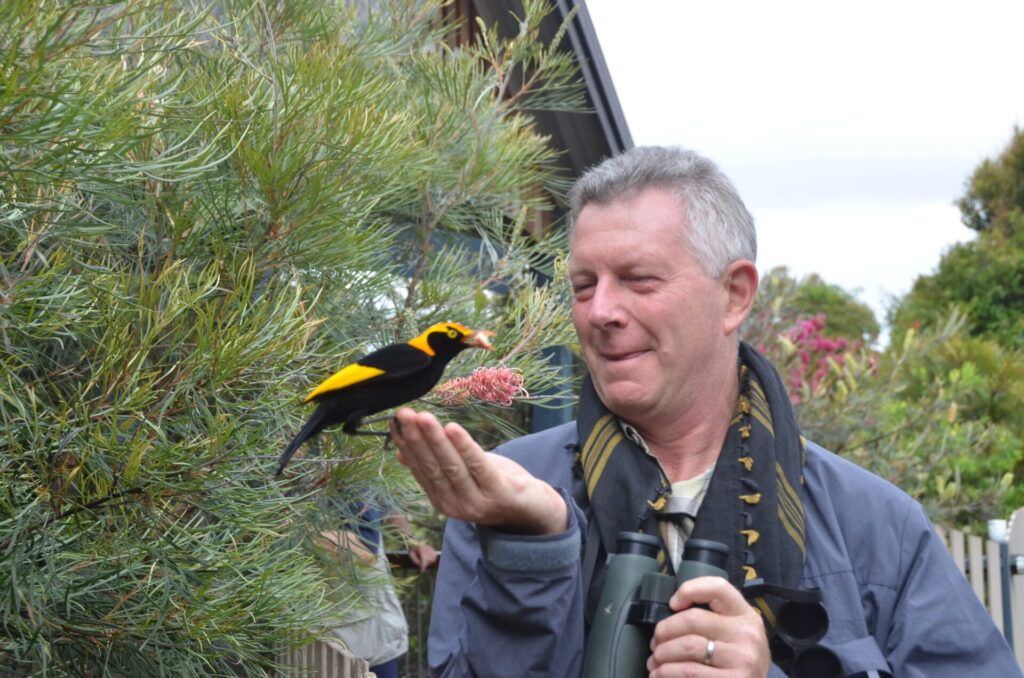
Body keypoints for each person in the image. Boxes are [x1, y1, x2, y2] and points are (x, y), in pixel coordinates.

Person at [389, 146, 1022, 677]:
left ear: (734, 296)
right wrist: (534, 553)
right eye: (584, 285)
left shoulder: (877, 527)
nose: (601, 312)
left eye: (639, 279)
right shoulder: (504, 498)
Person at [321, 502, 439, 678]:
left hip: (373, 628)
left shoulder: (363, 484)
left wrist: (413, 541)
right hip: (322, 623)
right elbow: (365, 546)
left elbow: (385, 504)